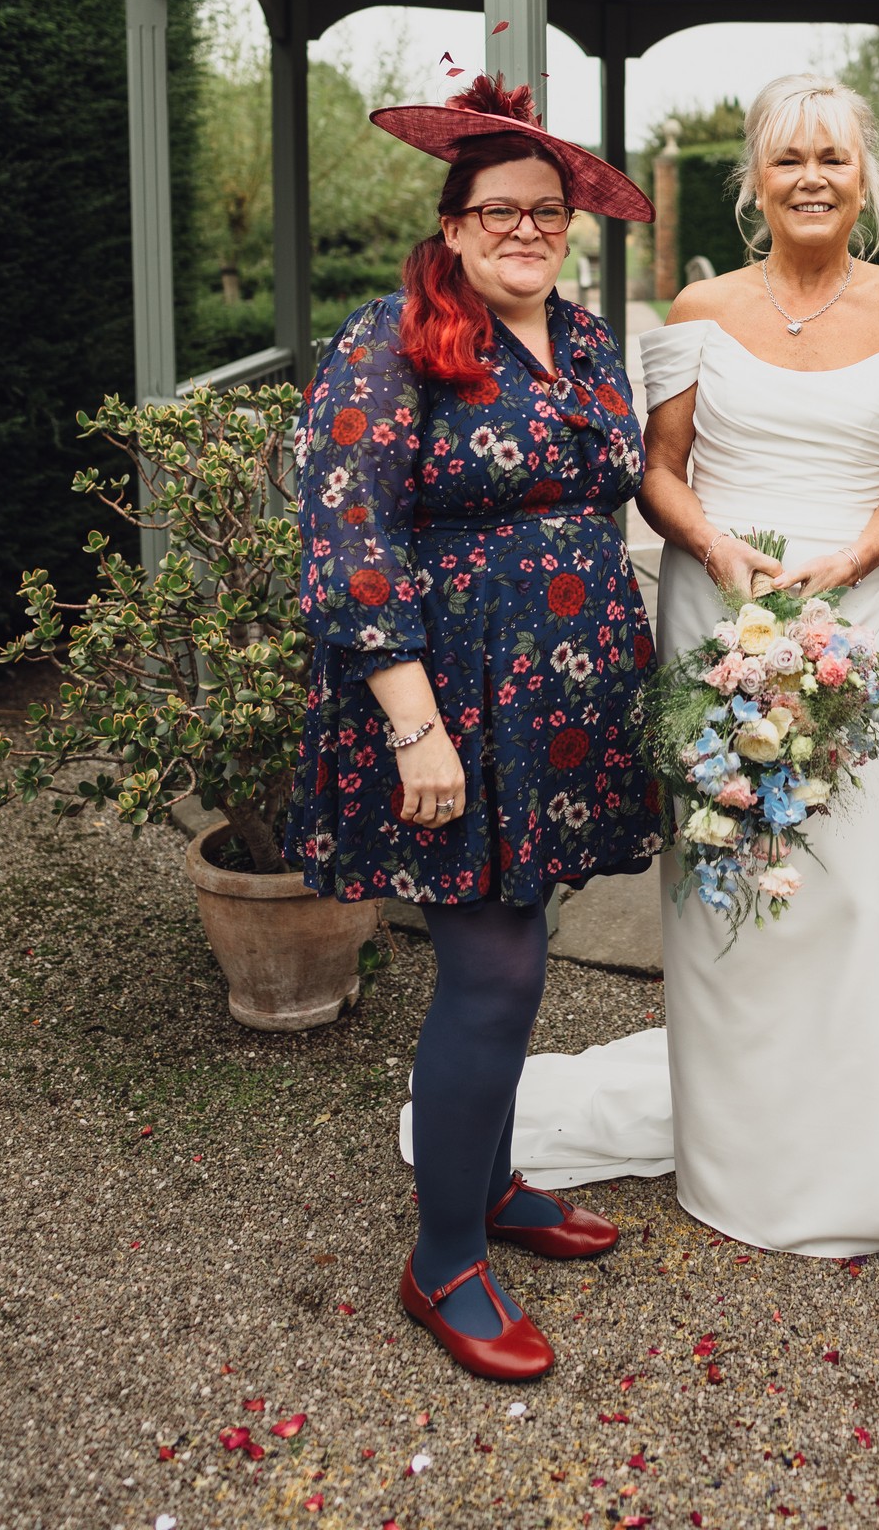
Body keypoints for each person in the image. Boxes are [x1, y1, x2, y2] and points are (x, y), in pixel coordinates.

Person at [285, 72, 660, 1379]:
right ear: (453, 225)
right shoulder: (393, 338)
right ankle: (444, 1258)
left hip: (564, 704)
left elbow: (617, 489)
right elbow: (348, 529)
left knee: (521, 944)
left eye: (547, 211)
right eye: (498, 209)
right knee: (492, 972)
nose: (525, 230)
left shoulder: (589, 339)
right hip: (450, 702)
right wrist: (414, 727)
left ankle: (492, 1185)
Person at [633, 72, 879, 1255]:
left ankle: (844, 1148)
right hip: (718, 605)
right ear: (754, 176)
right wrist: (713, 548)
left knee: (843, 875)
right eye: (787, 157)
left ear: (864, 175)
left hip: (859, 604)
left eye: (831, 157)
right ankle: (732, 1149)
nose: (810, 178)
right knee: (722, 859)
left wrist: (849, 562)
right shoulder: (700, 304)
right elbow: (660, 466)